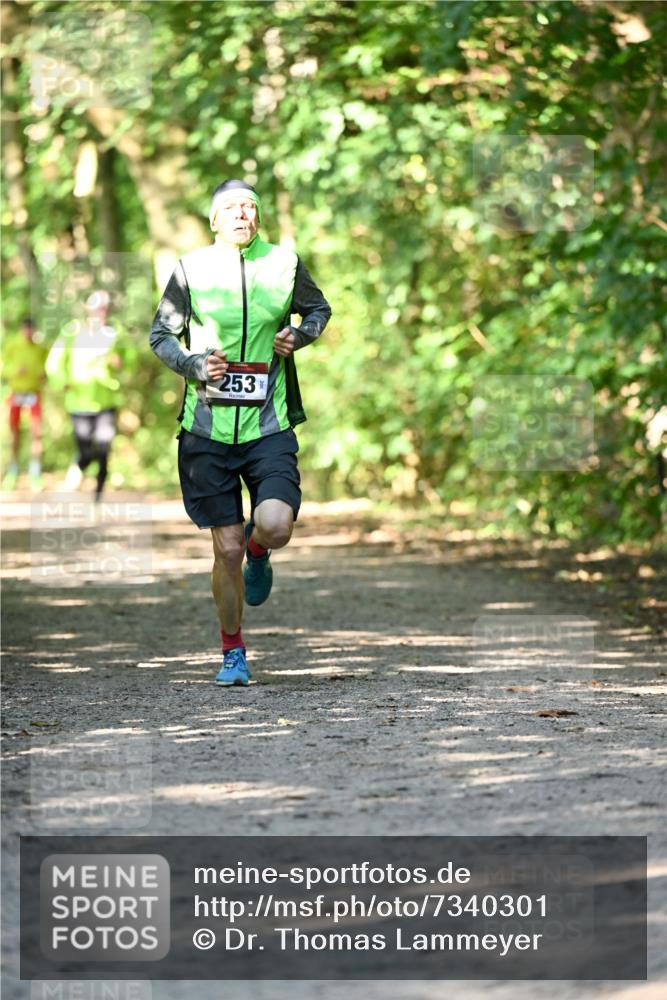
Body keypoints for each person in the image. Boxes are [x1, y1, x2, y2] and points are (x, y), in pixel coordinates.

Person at [150, 179, 331, 687]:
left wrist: (299, 334)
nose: (242, 214)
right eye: (231, 208)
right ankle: (233, 652)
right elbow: (160, 334)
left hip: (267, 423)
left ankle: (260, 552)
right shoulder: (191, 269)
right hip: (206, 427)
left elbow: (318, 310)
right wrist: (192, 364)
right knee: (223, 548)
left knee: (274, 525)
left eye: (250, 207)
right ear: (213, 219)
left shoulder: (284, 263)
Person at [46, 289, 121, 500]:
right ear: (88, 309)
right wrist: (61, 382)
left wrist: (119, 363)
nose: (100, 312)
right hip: (78, 401)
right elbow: (54, 362)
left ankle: (98, 495)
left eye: (104, 309)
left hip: (106, 399)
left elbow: (128, 361)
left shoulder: (114, 333)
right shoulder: (72, 331)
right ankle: (79, 468)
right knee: (86, 451)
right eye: (97, 308)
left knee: (105, 446)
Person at [2, 317, 48, 490]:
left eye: (31, 330)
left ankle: (34, 472)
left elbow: (48, 367)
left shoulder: (40, 349)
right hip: (16, 392)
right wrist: (15, 371)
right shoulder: (12, 345)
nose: (29, 333)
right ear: (22, 330)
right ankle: (12, 471)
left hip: (33, 393)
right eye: (26, 330)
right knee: (15, 432)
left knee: (36, 432)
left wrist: (44, 375)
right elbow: (3, 368)